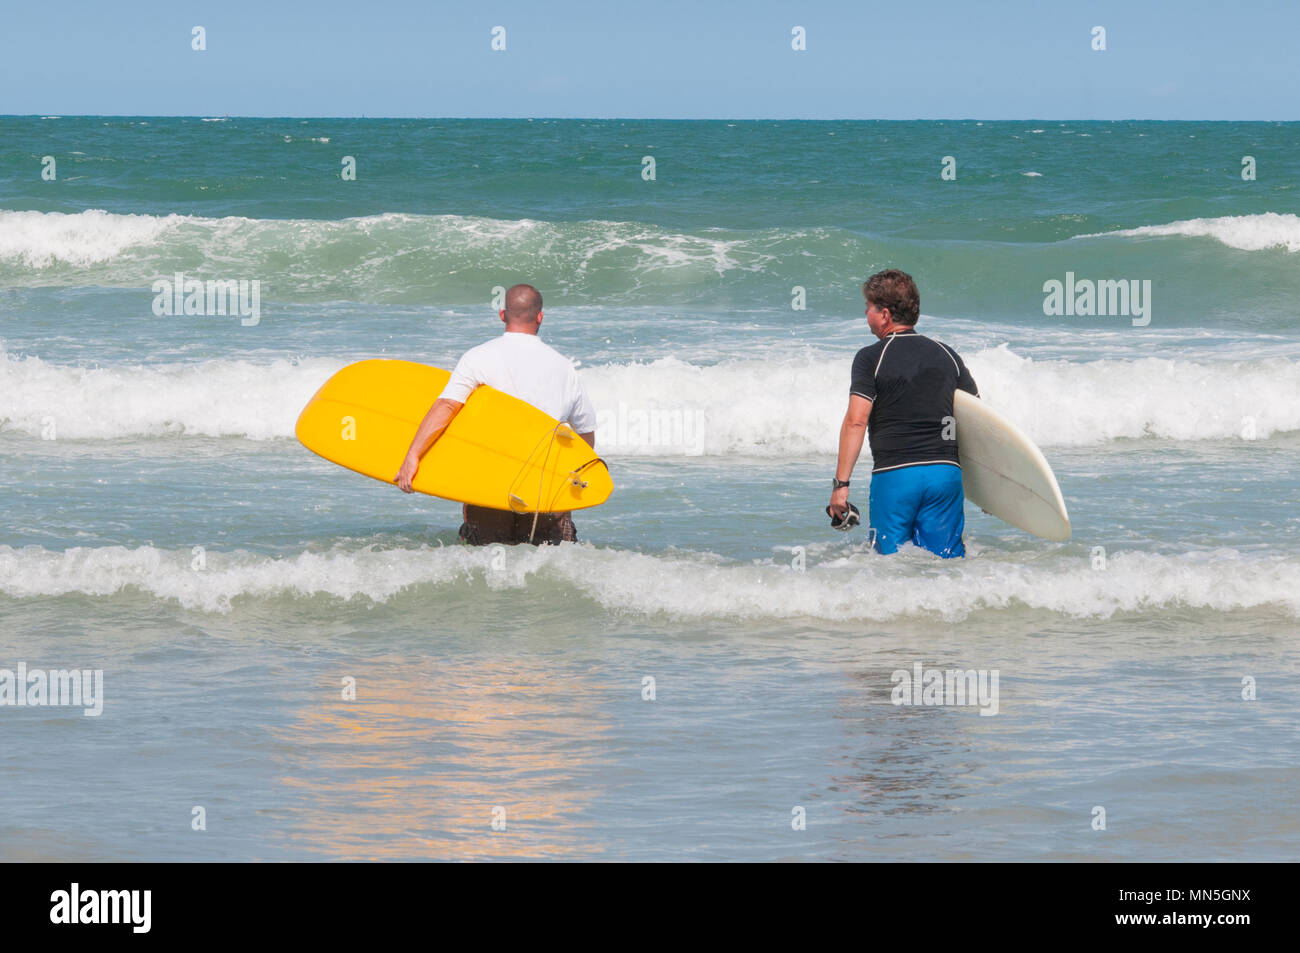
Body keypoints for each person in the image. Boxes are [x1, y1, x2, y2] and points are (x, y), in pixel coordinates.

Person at [394, 284, 597, 545]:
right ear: (540, 317)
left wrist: (413, 455)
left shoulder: (478, 357)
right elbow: (585, 432)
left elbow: (447, 406)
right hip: (545, 486)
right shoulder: (564, 367)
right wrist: (570, 476)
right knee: (550, 565)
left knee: (484, 560)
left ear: (502, 315)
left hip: (489, 479)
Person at [828, 269, 979, 558]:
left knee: (890, 565)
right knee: (947, 563)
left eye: (869, 307)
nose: (865, 313)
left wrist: (841, 487)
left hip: (897, 476)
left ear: (884, 314)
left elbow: (856, 421)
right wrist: (989, 486)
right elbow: (976, 420)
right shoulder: (947, 354)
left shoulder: (871, 357)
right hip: (945, 477)